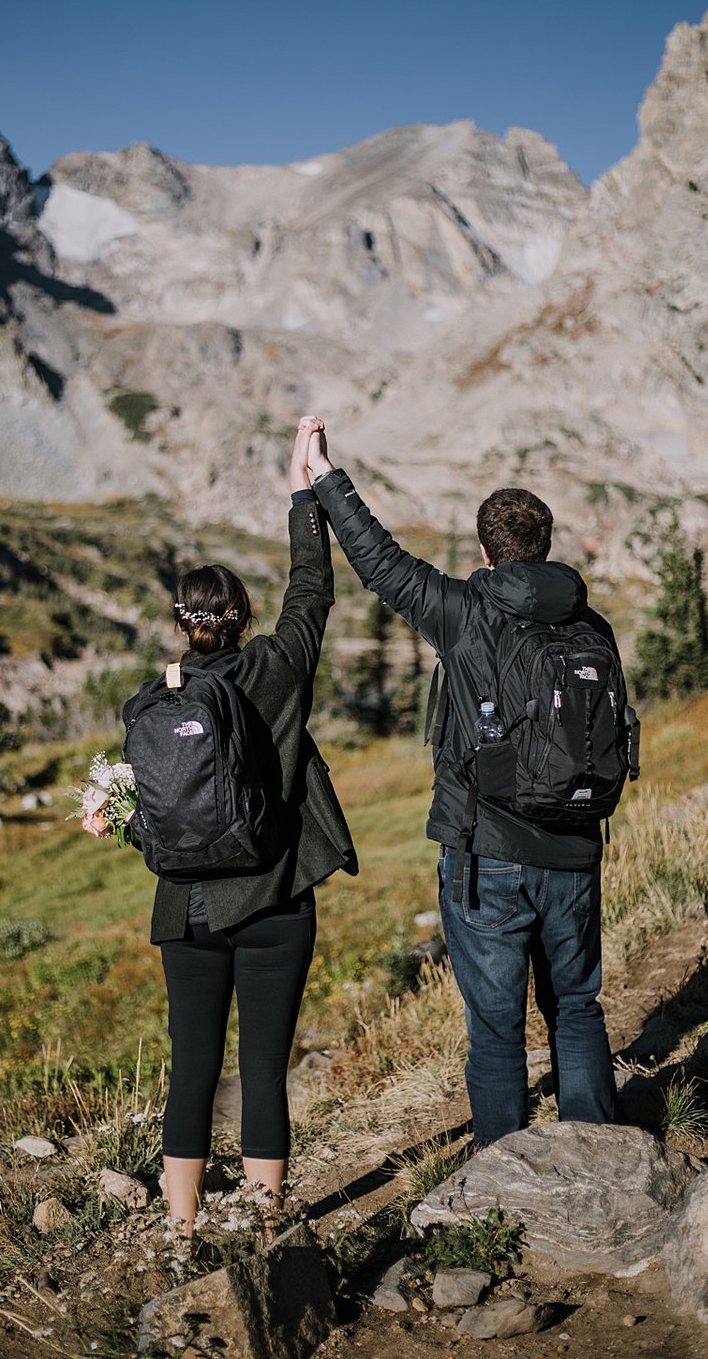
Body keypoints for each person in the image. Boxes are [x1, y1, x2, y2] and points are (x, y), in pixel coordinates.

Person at [304, 420, 617, 1148]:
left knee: (497, 1025)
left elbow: (378, 561)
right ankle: (602, 1153)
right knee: (576, 1007)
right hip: (574, 849)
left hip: (488, 853)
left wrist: (324, 475)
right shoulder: (590, 622)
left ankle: (504, 1172)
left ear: (485, 551)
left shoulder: (465, 610)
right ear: (545, 546)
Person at [87, 418, 357, 1238]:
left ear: (182, 625)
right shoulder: (277, 667)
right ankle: (269, 1217)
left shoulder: (154, 701)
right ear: (240, 616)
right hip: (275, 899)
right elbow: (311, 590)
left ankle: (181, 1227)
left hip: (189, 913)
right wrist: (301, 489)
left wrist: (119, 823)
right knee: (264, 1069)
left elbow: (147, 815)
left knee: (192, 1069)